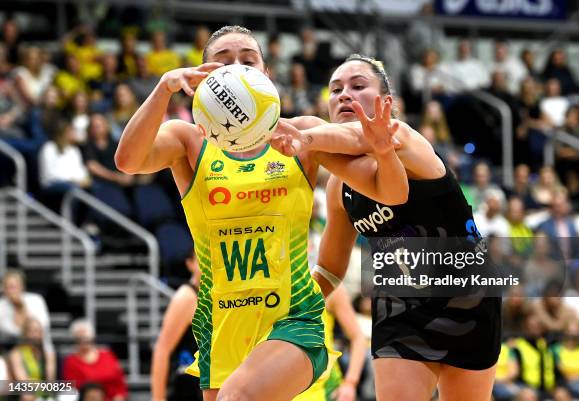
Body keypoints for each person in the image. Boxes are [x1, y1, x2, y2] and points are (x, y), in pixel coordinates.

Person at [115, 25, 407, 401]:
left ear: (266, 75)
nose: (237, 67)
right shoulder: (187, 139)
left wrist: (382, 148)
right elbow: (127, 161)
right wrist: (164, 87)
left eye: (248, 60)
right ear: (202, 79)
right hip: (221, 319)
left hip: (292, 317)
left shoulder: (302, 132)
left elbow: (386, 181)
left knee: (236, 398)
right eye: (223, 62)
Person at [290, 54, 502, 401]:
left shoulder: (405, 137)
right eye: (335, 89)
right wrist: (295, 309)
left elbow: (359, 138)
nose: (344, 94)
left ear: (387, 104)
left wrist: (297, 134)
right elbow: (329, 268)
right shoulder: (338, 188)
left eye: (358, 86)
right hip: (401, 305)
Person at [294, 284, 367, 401]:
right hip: (278, 388)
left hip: (325, 390)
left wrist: (350, 384)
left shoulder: (329, 286)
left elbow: (357, 337)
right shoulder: (265, 285)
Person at [151, 251, 202, 401]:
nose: (209, 266)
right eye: (203, 261)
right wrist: (158, 398)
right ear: (190, 264)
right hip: (185, 386)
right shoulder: (186, 297)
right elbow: (162, 350)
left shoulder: (213, 295)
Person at [62, 319, 128, 401]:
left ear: (92, 336)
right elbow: (73, 389)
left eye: (85, 336)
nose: (83, 340)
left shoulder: (107, 355)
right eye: (79, 337)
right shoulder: (71, 361)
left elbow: (120, 385)